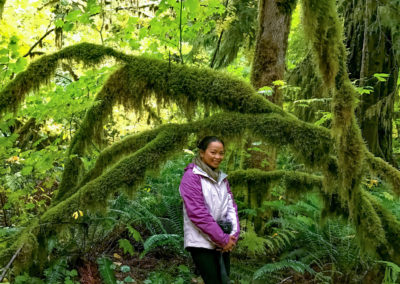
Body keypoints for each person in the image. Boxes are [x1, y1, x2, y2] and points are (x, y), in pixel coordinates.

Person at [179, 136, 240, 284]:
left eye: (221, 153)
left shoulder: (221, 179)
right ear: (201, 152)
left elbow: (231, 207)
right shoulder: (191, 177)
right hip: (201, 242)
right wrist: (223, 239)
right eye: (213, 152)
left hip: (223, 241)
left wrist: (232, 236)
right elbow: (198, 214)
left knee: (224, 281)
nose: (218, 157)